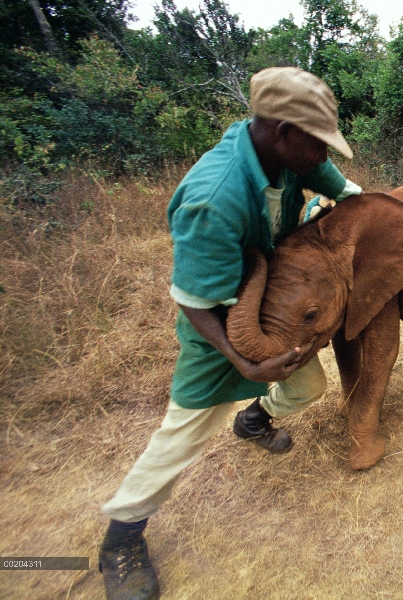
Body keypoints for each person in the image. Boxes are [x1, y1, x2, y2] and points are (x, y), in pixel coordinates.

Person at [97, 67, 362, 600]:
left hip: (274, 312)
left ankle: (255, 418)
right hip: (219, 326)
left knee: (308, 388)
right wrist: (241, 363)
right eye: (317, 144)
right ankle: (121, 535)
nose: (322, 157)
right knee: (184, 433)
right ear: (285, 133)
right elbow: (192, 300)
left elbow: (349, 192)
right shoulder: (213, 197)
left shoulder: (284, 158)